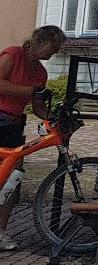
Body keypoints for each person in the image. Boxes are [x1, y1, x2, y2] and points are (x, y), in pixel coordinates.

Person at [0, 25, 66, 250]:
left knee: (14, 176)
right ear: (41, 41)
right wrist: (30, 92)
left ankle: (1, 230)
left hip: (13, 123)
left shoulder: (40, 72)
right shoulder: (12, 55)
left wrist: (54, 117)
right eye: (53, 47)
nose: (53, 53)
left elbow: (37, 106)